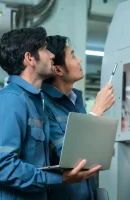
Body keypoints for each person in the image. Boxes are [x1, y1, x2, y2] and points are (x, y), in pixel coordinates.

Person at [0, 27, 101, 200]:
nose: (52, 55)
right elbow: (1, 166)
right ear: (30, 58)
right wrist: (58, 178)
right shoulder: (9, 101)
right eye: (45, 50)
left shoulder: (34, 102)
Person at [41, 35, 115, 200]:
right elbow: (73, 160)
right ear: (58, 70)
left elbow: (92, 154)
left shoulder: (75, 101)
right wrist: (97, 110)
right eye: (73, 55)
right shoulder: (44, 106)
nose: (79, 59)